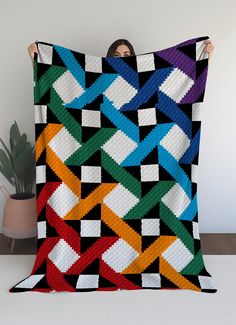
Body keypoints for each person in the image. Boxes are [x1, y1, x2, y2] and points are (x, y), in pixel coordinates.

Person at [27, 38, 214, 64]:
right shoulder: (98, 76)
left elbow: (179, 73)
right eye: (116, 55)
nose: (122, 58)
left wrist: (204, 55)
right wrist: (38, 56)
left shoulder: (144, 78)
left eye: (127, 55)